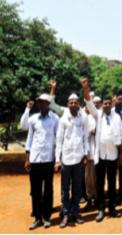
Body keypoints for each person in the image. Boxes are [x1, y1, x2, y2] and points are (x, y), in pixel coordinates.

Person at [82, 79, 122, 222]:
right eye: (104, 103)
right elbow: (88, 102)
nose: (106, 105)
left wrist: (121, 154)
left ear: (111, 104)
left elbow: (121, 137)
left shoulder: (117, 117)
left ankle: (112, 209)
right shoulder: (97, 114)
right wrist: (85, 88)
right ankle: (101, 209)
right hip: (100, 155)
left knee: (112, 183)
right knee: (100, 184)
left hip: (112, 155)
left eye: (108, 103)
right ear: (102, 105)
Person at [21, 94, 59, 230]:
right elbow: (29, 139)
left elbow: (58, 139)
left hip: (48, 159)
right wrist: (27, 159)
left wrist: (57, 159)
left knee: (48, 189)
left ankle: (47, 217)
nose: (42, 105)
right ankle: (37, 218)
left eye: (45, 103)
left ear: (48, 104)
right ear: (38, 104)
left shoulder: (55, 119)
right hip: (35, 159)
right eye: (40, 103)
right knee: (36, 190)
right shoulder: (33, 120)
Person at [55, 94, 89, 228]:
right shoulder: (63, 119)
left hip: (79, 159)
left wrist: (85, 155)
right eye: (71, 102)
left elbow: (85, 137)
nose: (73, 104)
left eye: (75, 102)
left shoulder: (83, 118)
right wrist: (58, 159)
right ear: (68, 104)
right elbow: (59, 140)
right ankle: (65, 214)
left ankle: (75, 212)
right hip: (66, 160)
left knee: (77, 188)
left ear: (79, 104)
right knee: (65, 188)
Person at [113, 90, 122, 206]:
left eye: (121, 99)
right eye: (117, 99)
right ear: (115, 99)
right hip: (112, 148)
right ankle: (113, 196)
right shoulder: (111, 111)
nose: (119, 100)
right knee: (112, 174)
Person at [84, 105, 97, 210]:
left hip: (97, 153)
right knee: (88, 177)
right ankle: (89, 198)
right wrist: (90, 131)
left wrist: (95, 131)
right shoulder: (85, 118)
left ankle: (97, 198)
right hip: (87, 153)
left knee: (97, 177)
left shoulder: (98, 117)